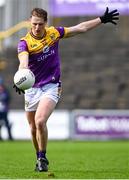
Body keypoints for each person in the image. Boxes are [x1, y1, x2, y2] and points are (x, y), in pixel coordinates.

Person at [13, 7, 119, 172]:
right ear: (30, 22)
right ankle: (38, 157)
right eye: (34, 24)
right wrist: (21, 77)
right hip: (32, 89)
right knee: (33, 128)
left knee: (40, 121)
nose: (36, 27)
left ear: (45, 23)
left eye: (40, 24)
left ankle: (42, 157)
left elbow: (80, 28)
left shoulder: (54, 33)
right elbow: (23, 62)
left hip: (51, 86)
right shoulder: (24, 42)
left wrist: (101, 19)